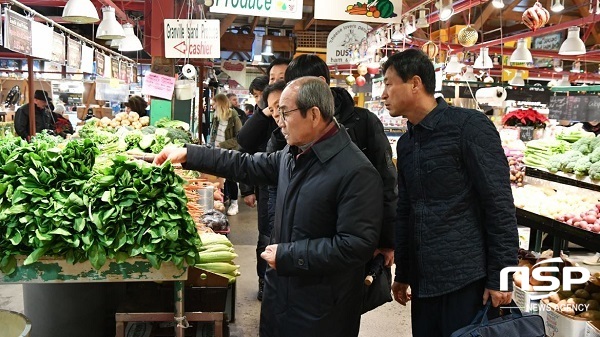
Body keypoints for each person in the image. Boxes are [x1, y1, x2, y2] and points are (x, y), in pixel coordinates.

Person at [154, 77, 383, 337]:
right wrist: (190, 154)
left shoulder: (356, 172)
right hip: (281, 297)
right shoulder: (293, 154)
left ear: (314, 114)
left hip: (322, 310)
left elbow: (355, 245)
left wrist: (287, 256)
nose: (279, 120)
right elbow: (246, 164)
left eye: (285, 112)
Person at [381, 49, 518, 337]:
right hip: (424, 281)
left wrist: (502, 276)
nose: (384, 93)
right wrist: (403, 273)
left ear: (415, 83)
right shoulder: (406, 143)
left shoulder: (469, 126)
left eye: (389, 83)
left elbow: (499, 204)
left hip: (467, 279)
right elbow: (406, 209)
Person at [284, 54, 398, 268]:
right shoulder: (291, 120)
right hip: (306, 242)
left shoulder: (363, 122)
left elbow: (387, 182)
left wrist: (387, 241)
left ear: (320, 82)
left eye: (297, 86)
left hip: (352, 237)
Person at [237, 68, 287, 300]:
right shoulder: (266, 115)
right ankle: (264, 281)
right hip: (268, 186)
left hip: (292, 186)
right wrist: (262, 113)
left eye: (282, 77)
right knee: (266, 236)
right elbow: (244, 144)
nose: (276, 82)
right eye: (272, 78)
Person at [208, 93, 242, 216]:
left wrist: (222, 145)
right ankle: (224, 199)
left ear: (220, 103)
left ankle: (234, 203)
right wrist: (210, 146)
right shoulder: (216, 116)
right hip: (217, 151)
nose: (213, 105)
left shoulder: (233, 116)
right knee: (220, 177)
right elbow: (213, 133)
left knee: (231, 177)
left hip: (230, 152)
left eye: (214, 103)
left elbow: (239, 138)